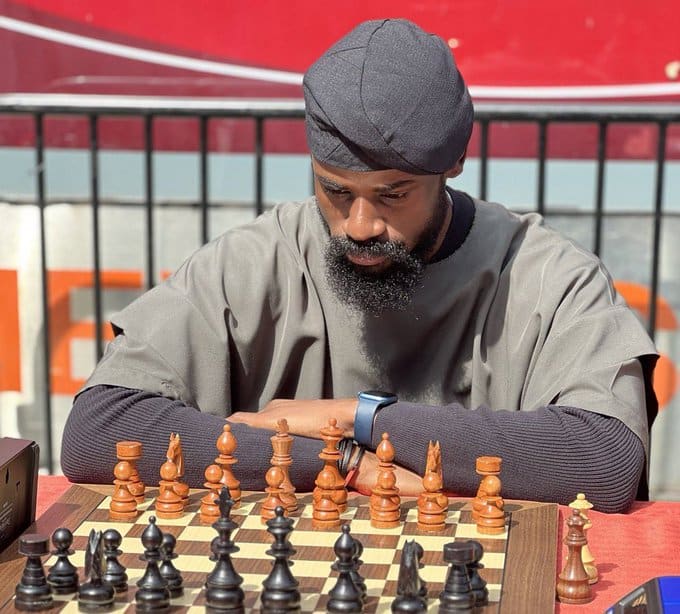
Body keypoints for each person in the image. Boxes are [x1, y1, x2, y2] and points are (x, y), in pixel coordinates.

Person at [61, 18, 658, 513]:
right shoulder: (255, 259)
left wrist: (359, 416)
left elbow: (603, 456)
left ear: (454, 164)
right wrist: (343, 459)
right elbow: (99, 428)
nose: (360, 225)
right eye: (336, 191)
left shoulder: (544, 273)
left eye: (394, 194)